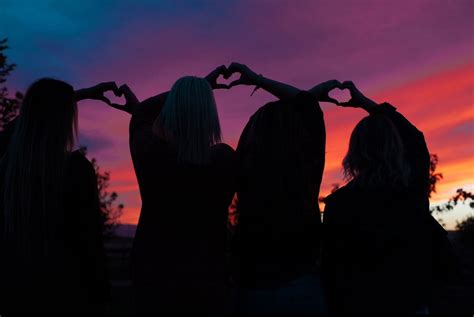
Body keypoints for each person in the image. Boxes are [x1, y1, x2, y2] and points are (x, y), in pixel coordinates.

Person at [107, 67, 236, 313]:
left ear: (171, 110)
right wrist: (202, 91)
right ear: (209, 114)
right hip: (207, 280)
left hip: (154, 281)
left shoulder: (152, 155)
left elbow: (142, 113)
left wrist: (197, 87)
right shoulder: (224, 160)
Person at [322, 81, 456, 313]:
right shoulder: (410, 192)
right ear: (396, 148)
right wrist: (366, 103)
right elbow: (414, 137)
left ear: (354, 151)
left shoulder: (338, 205)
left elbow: (332, 271)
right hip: (409, 304)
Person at [228, 63, 341, 313]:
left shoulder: (242, 168)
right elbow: (304, 104)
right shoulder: (306, 167)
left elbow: (303, 104)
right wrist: (258, 79)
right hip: (302, 283)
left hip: (251, 288)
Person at [0, 78, 117, 312]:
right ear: (63, 121)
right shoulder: (75, 170)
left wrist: (77, 95)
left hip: (14, 294)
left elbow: (17, 127)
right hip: (68, 295)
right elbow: (89, 241)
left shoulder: (7, 169)